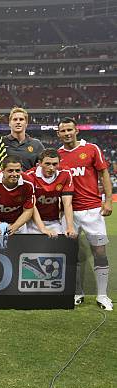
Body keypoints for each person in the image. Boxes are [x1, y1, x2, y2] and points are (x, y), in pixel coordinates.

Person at [57, 117, 113, 310]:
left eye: (69, 130)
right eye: (63, 131)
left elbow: (104, 173)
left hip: (92, 210)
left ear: (76, 130)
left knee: (99, 252)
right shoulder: (58, 155)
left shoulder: (91, 149)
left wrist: (107, 200)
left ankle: (103, 295)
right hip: (68, 212)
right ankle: (77, 293)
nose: (66, 134)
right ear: (58, 134)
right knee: (71, 253)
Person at [24, 149, 76, 238]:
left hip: (54, 221)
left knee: (56, 249)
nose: (51, 168)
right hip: (32, 222)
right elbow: (32, 205)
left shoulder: (65, 173)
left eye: (55, 164)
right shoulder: (29, 176)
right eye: (47, 164)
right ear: (39, 163)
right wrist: (43, 229)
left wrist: (70, 227)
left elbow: (67, 203)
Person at [0, 156, 35, 236]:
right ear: (2, 170)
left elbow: (28, 210)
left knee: (20, 248)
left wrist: (15, 226)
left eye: (17, 171)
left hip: (17, 223)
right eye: (10, 171)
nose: (14, 174)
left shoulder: (28, 184)